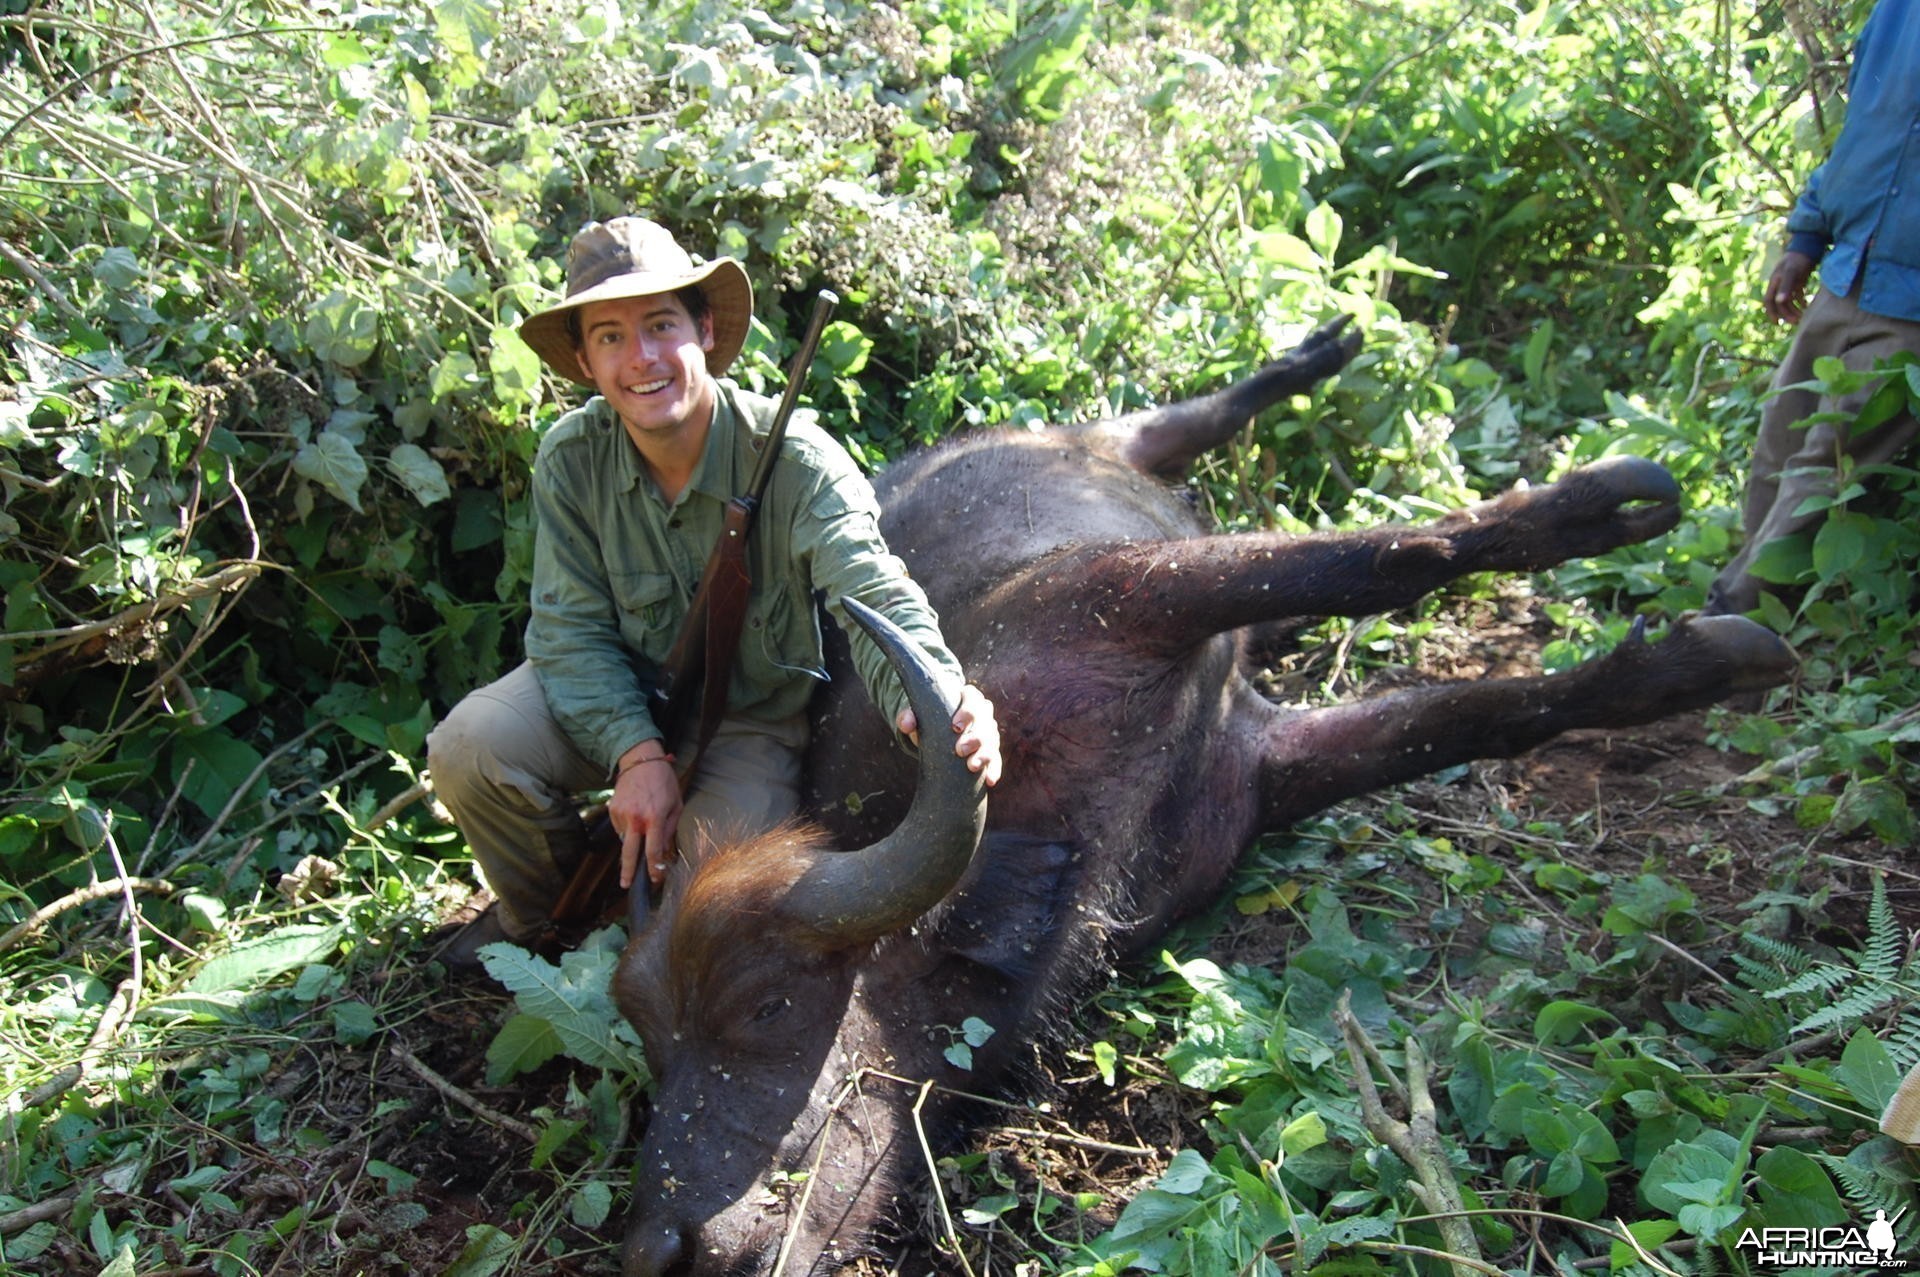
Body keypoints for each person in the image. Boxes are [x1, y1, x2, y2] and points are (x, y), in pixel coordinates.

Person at [428, 217, 1002, 964]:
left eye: (661, 325)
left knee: (711, 919)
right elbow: (567, 633)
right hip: (612, 699)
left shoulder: (796, 456)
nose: (641, 358)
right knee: (470, 746)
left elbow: (871, 589)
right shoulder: (571, 459)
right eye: (610, 336)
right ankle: (548, 922)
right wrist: (636, 755)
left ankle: (629, 919)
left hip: (746, 727)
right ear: (584, 359)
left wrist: (941, 698)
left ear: (703, 329)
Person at [1704, 0, 1920, 617]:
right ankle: (1747, 632)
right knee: (1777, 447)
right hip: (1846, 273)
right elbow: (1865, 136)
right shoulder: (1898, 14)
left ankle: (1726, 629)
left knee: (1825, 465)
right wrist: (1805, 238)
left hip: (1913, 307)